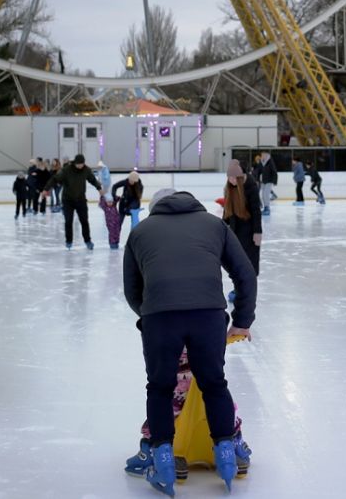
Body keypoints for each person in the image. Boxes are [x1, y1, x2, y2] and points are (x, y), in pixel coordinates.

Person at [122, 188, 257, 495]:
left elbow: (132, 289)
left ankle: (163, 463)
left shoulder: (140, 231)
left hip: (160, 317)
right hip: (208, 315)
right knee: (214, 384)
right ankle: (225, 457)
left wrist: (151, 314)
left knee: (160, 388)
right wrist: (242, 321)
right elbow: (245, 274)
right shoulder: (214, 224)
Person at [123, 346, 252, 483]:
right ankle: (233, 443)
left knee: (164, 403)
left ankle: (152, 449)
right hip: (207, 350)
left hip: (176, 367)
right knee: (219, 398)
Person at [45, 154, 103, 249]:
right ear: (75, 163)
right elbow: (55, 179)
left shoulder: (86, 170)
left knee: (84, 221)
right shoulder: (66, 170)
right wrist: (46, 188)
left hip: (81, 200)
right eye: (79, 164)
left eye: (82, 164)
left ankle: (88, 241)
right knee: (68, 221)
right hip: (68, 200)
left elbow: (92, 179)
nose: (80, 166)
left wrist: (99, 188)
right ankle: (69, 241)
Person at [222, 159, 263, 276]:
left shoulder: (251, 187)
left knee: (249, 260)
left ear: (240, 178)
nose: (231, 180)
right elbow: (227, 210)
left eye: (233, 178)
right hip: (235, 228)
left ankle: (248, 286)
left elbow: (256, 212)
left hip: (249, 229)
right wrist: (222, 225)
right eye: (229, 178)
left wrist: (257, 232)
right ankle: (239, 287)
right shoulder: (229, 188)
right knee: (236, 260)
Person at [257, 152, 277, 216]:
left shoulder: (270, 162)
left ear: (266, 155)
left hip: (269, 181)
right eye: (261, 155)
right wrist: (257, 179)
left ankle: (267, 208)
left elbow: (274, 172)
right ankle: (265, 208)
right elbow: (258, 171)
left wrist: (274, 181)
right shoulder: (262, 162)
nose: (262, 156)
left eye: (263, 155)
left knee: (266, 194)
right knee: (263, 195)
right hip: (263, 181)